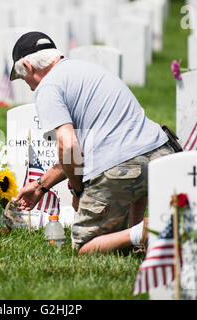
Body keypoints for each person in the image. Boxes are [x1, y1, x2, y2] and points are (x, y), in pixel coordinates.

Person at [11, 31, 175, 254]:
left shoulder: (47, 87)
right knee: (135, 183)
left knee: (84, 246)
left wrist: (79, 191)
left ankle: (146, 230)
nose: (28, 86)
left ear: (29, 68)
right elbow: (79, 150)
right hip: (161, 154)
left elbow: (68, 146)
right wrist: (41, 186)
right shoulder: (85, 69)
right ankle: (140, 242)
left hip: (122, 167)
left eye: (23, 78)